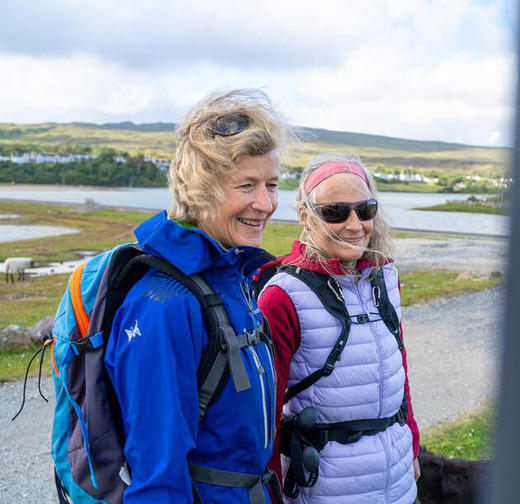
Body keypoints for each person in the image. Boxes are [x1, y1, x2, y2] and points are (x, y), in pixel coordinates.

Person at [104, 89, 290, 503]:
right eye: (247, 185)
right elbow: (157, 479)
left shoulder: (233, 277)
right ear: (202, 189)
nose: (265, 203)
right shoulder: (167, 306)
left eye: (272, 184)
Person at [257, 153, 421, 503]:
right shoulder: (282, 296)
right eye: (335, 212)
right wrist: (271, 492)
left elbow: (397, 369)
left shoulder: (384, 278)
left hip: (398, 481)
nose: (354, 225)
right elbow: (265, 415)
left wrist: (413, 445)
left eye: (365, 210)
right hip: (325, 489)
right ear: (305, 216)